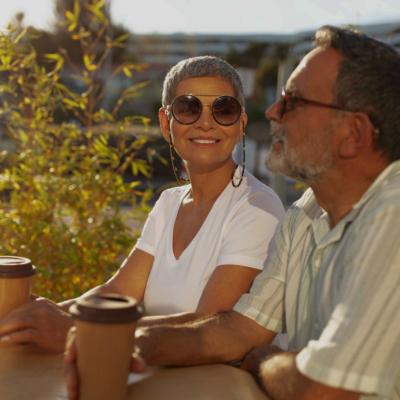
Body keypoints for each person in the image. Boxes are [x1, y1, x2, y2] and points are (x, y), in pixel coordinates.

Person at [67, 25, 400, 400]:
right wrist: (133, 340)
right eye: (188, 108)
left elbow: (321, 390)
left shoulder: (392, 216)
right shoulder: (303, 216)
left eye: (293, 102)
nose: (272, 112)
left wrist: (264, 361)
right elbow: (239, 330)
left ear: (354, 133)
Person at [0, 56, 284, 352]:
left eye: (223, 110)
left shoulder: (255, 208)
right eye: (188, 108)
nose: (205, 123)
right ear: (165, 123)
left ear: (240, 124)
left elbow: (205, 328)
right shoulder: (169, 203)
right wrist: (38, 318)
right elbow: (119, 291)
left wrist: (75, 330)